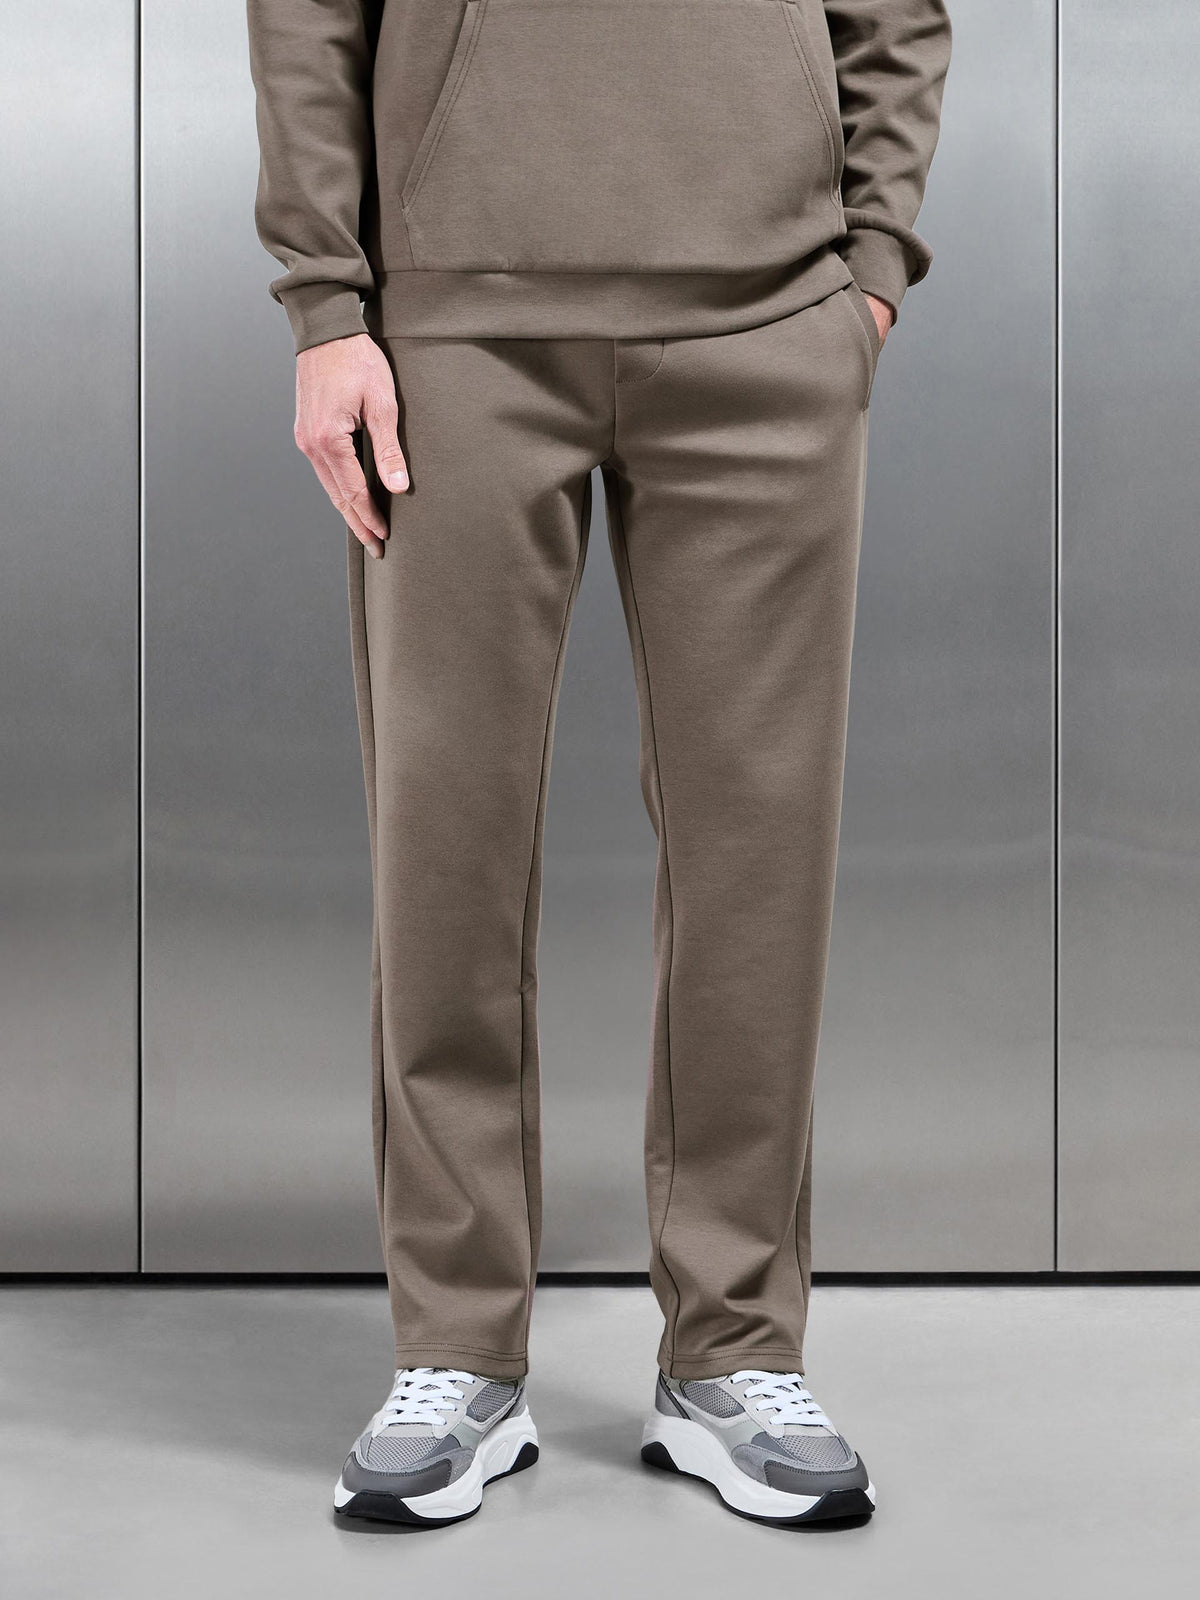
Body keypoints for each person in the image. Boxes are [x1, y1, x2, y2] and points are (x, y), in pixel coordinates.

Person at [247, 0, 951, 1529]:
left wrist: (870, 271)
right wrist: (326, 305)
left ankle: (734, 1351)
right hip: (454, 331)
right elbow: (305, 15)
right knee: (444, 847)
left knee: (757, 862)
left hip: (770, 320)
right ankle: (454, 1350)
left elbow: (898, 14)